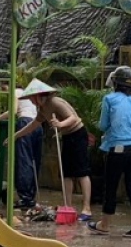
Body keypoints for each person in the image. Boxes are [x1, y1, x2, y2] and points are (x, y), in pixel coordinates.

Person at [15, 78, 93, 220]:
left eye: (32, 98)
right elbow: (33, 125)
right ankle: (67, 206)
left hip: (78, 134)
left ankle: (86, 208)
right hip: (67, 137)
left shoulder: (55, 102)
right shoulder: (43, 109)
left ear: (38, 96)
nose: (31, 102)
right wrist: (16, 135)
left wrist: (60, 124)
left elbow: (74, 118)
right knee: (67, 173)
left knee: (82, 171)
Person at [92, 66, 131, 236]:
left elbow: (103, 125)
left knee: (111, 185)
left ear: (115, 83)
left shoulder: (110, 99)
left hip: (118, 147)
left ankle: (104, 224)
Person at [0, 87, 44, 210]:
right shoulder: (28, 93)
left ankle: (25, 198)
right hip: (37, 125)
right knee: (34, 160)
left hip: (25, 123)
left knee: (24, 160)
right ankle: (30, 197)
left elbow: (13, 111)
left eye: (4, 88)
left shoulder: (15, 92)